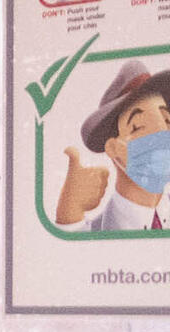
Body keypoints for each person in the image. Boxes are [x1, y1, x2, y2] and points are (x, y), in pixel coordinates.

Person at [55, 58, 170, 230]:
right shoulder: (93, 232)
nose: (162, 135)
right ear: (114, 149)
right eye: (138, 126)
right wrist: (69, 219)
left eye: (167, 120)